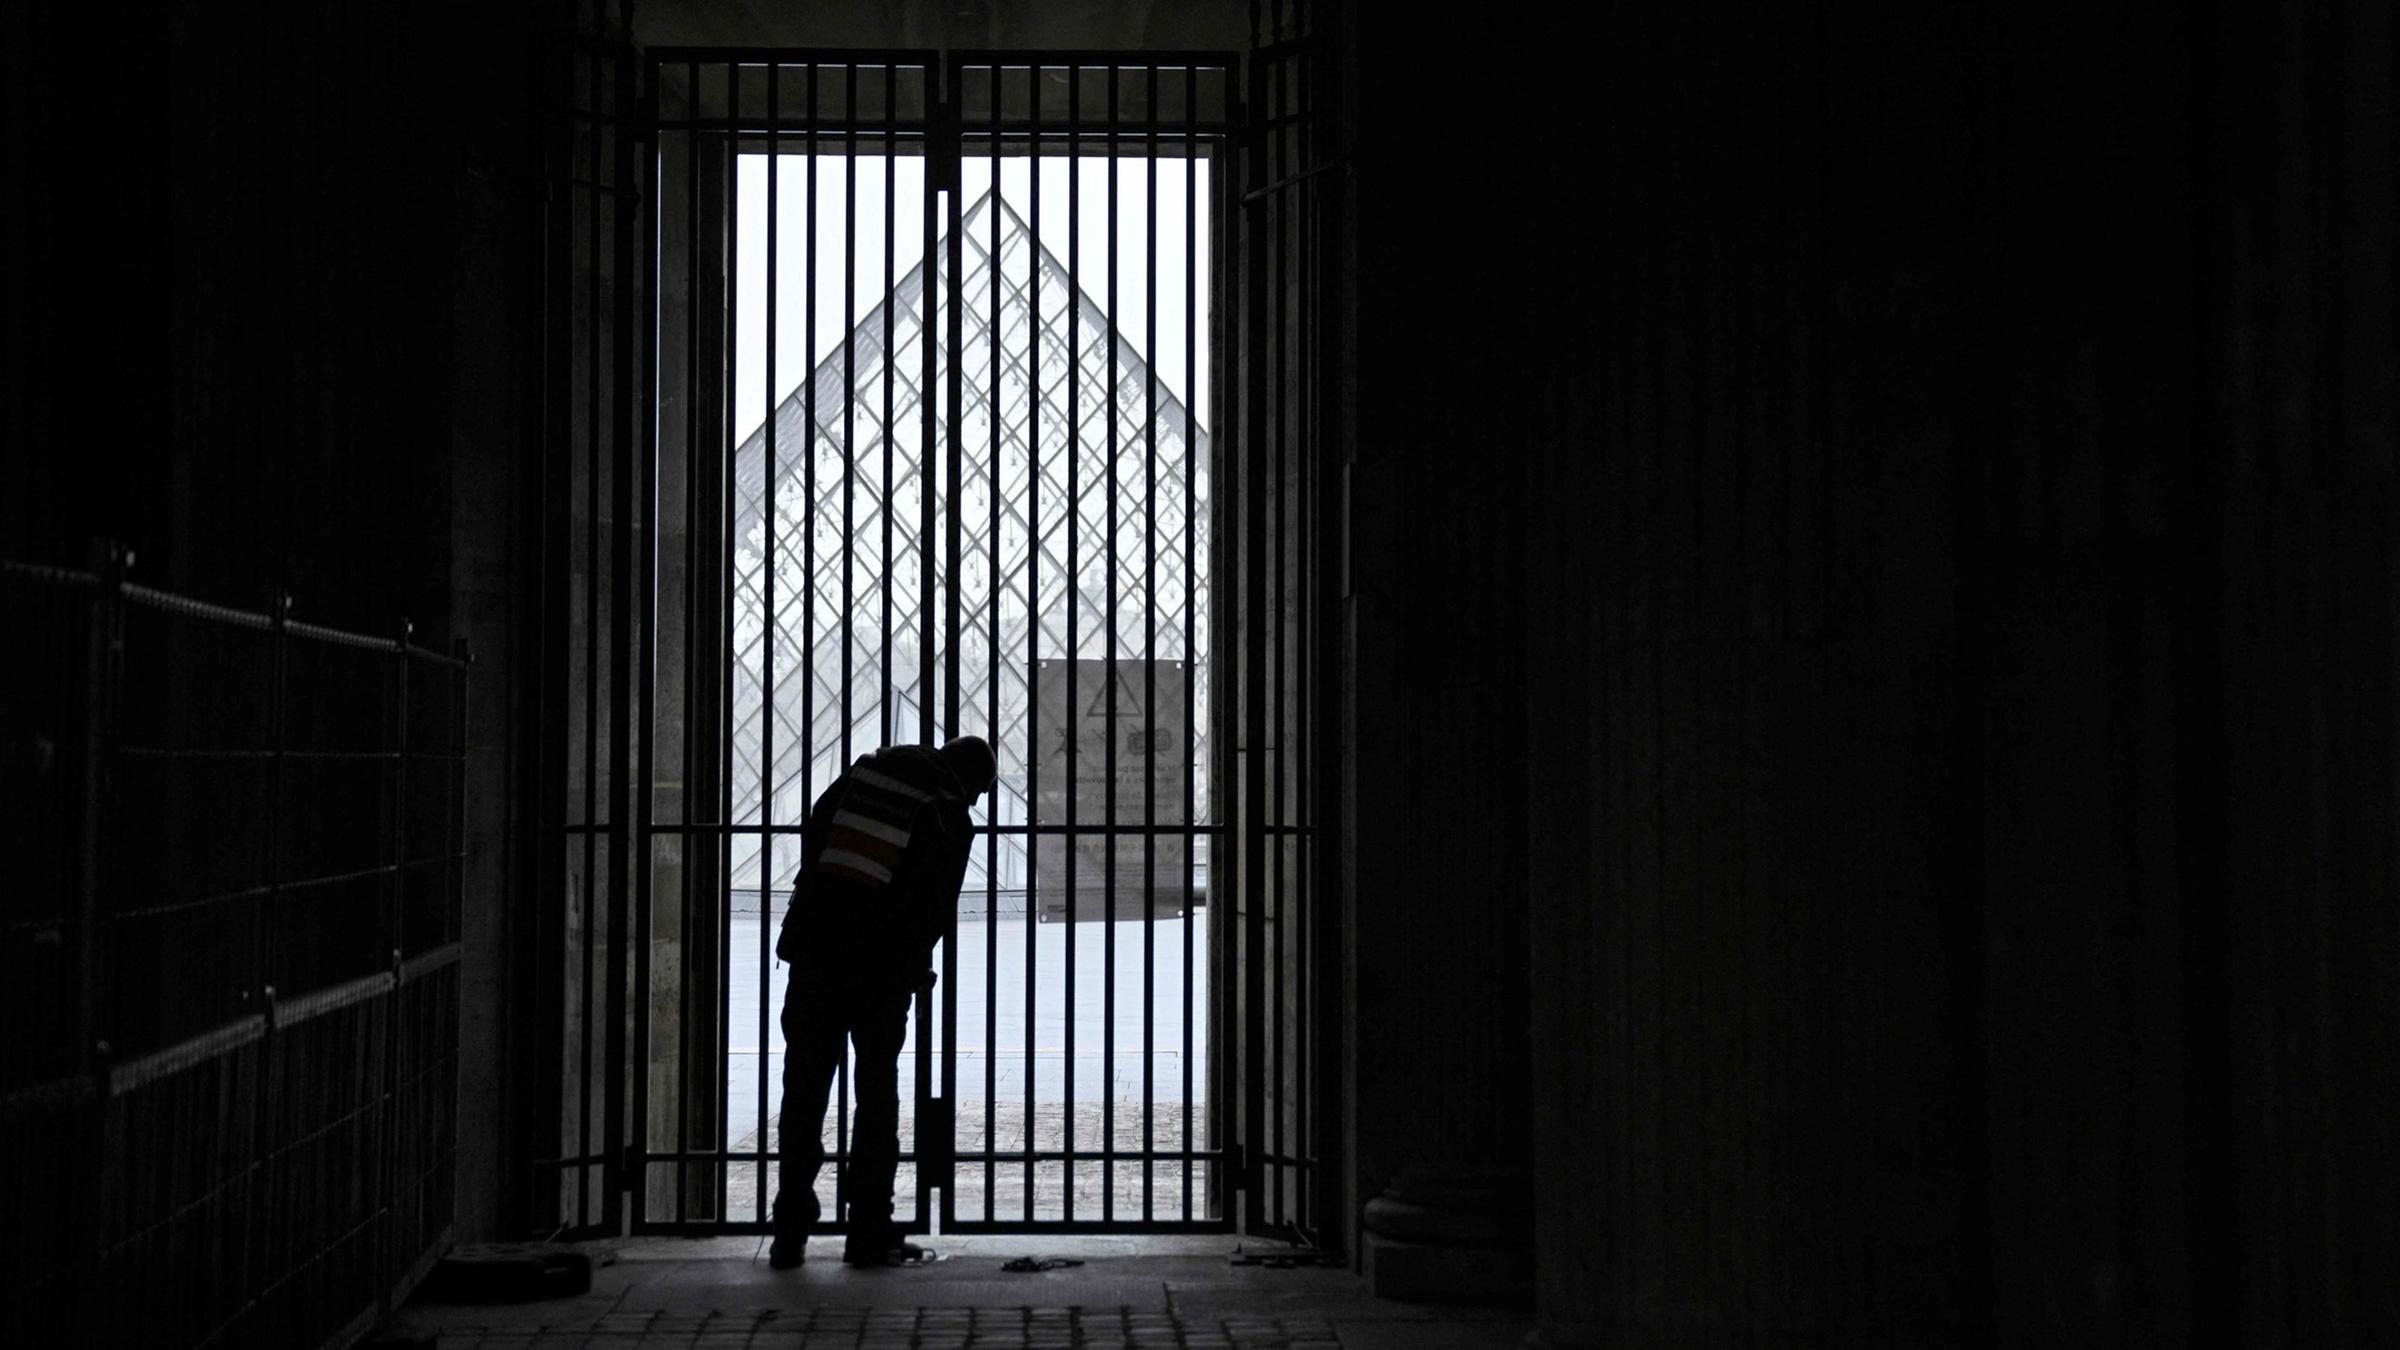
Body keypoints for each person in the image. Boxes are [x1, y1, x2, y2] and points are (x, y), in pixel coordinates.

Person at [767, 734, 996, 1269]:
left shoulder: (864, 773)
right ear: (968, 779)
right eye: (982, 791)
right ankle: (869, 1228)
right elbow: (932, 908)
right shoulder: (948, 813)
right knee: (875, 1097)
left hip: (816, 955)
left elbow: (815, 834)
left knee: (803, 1090)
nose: (980, 803)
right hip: (879, 971)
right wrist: (915, 967)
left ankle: (789, 1227)